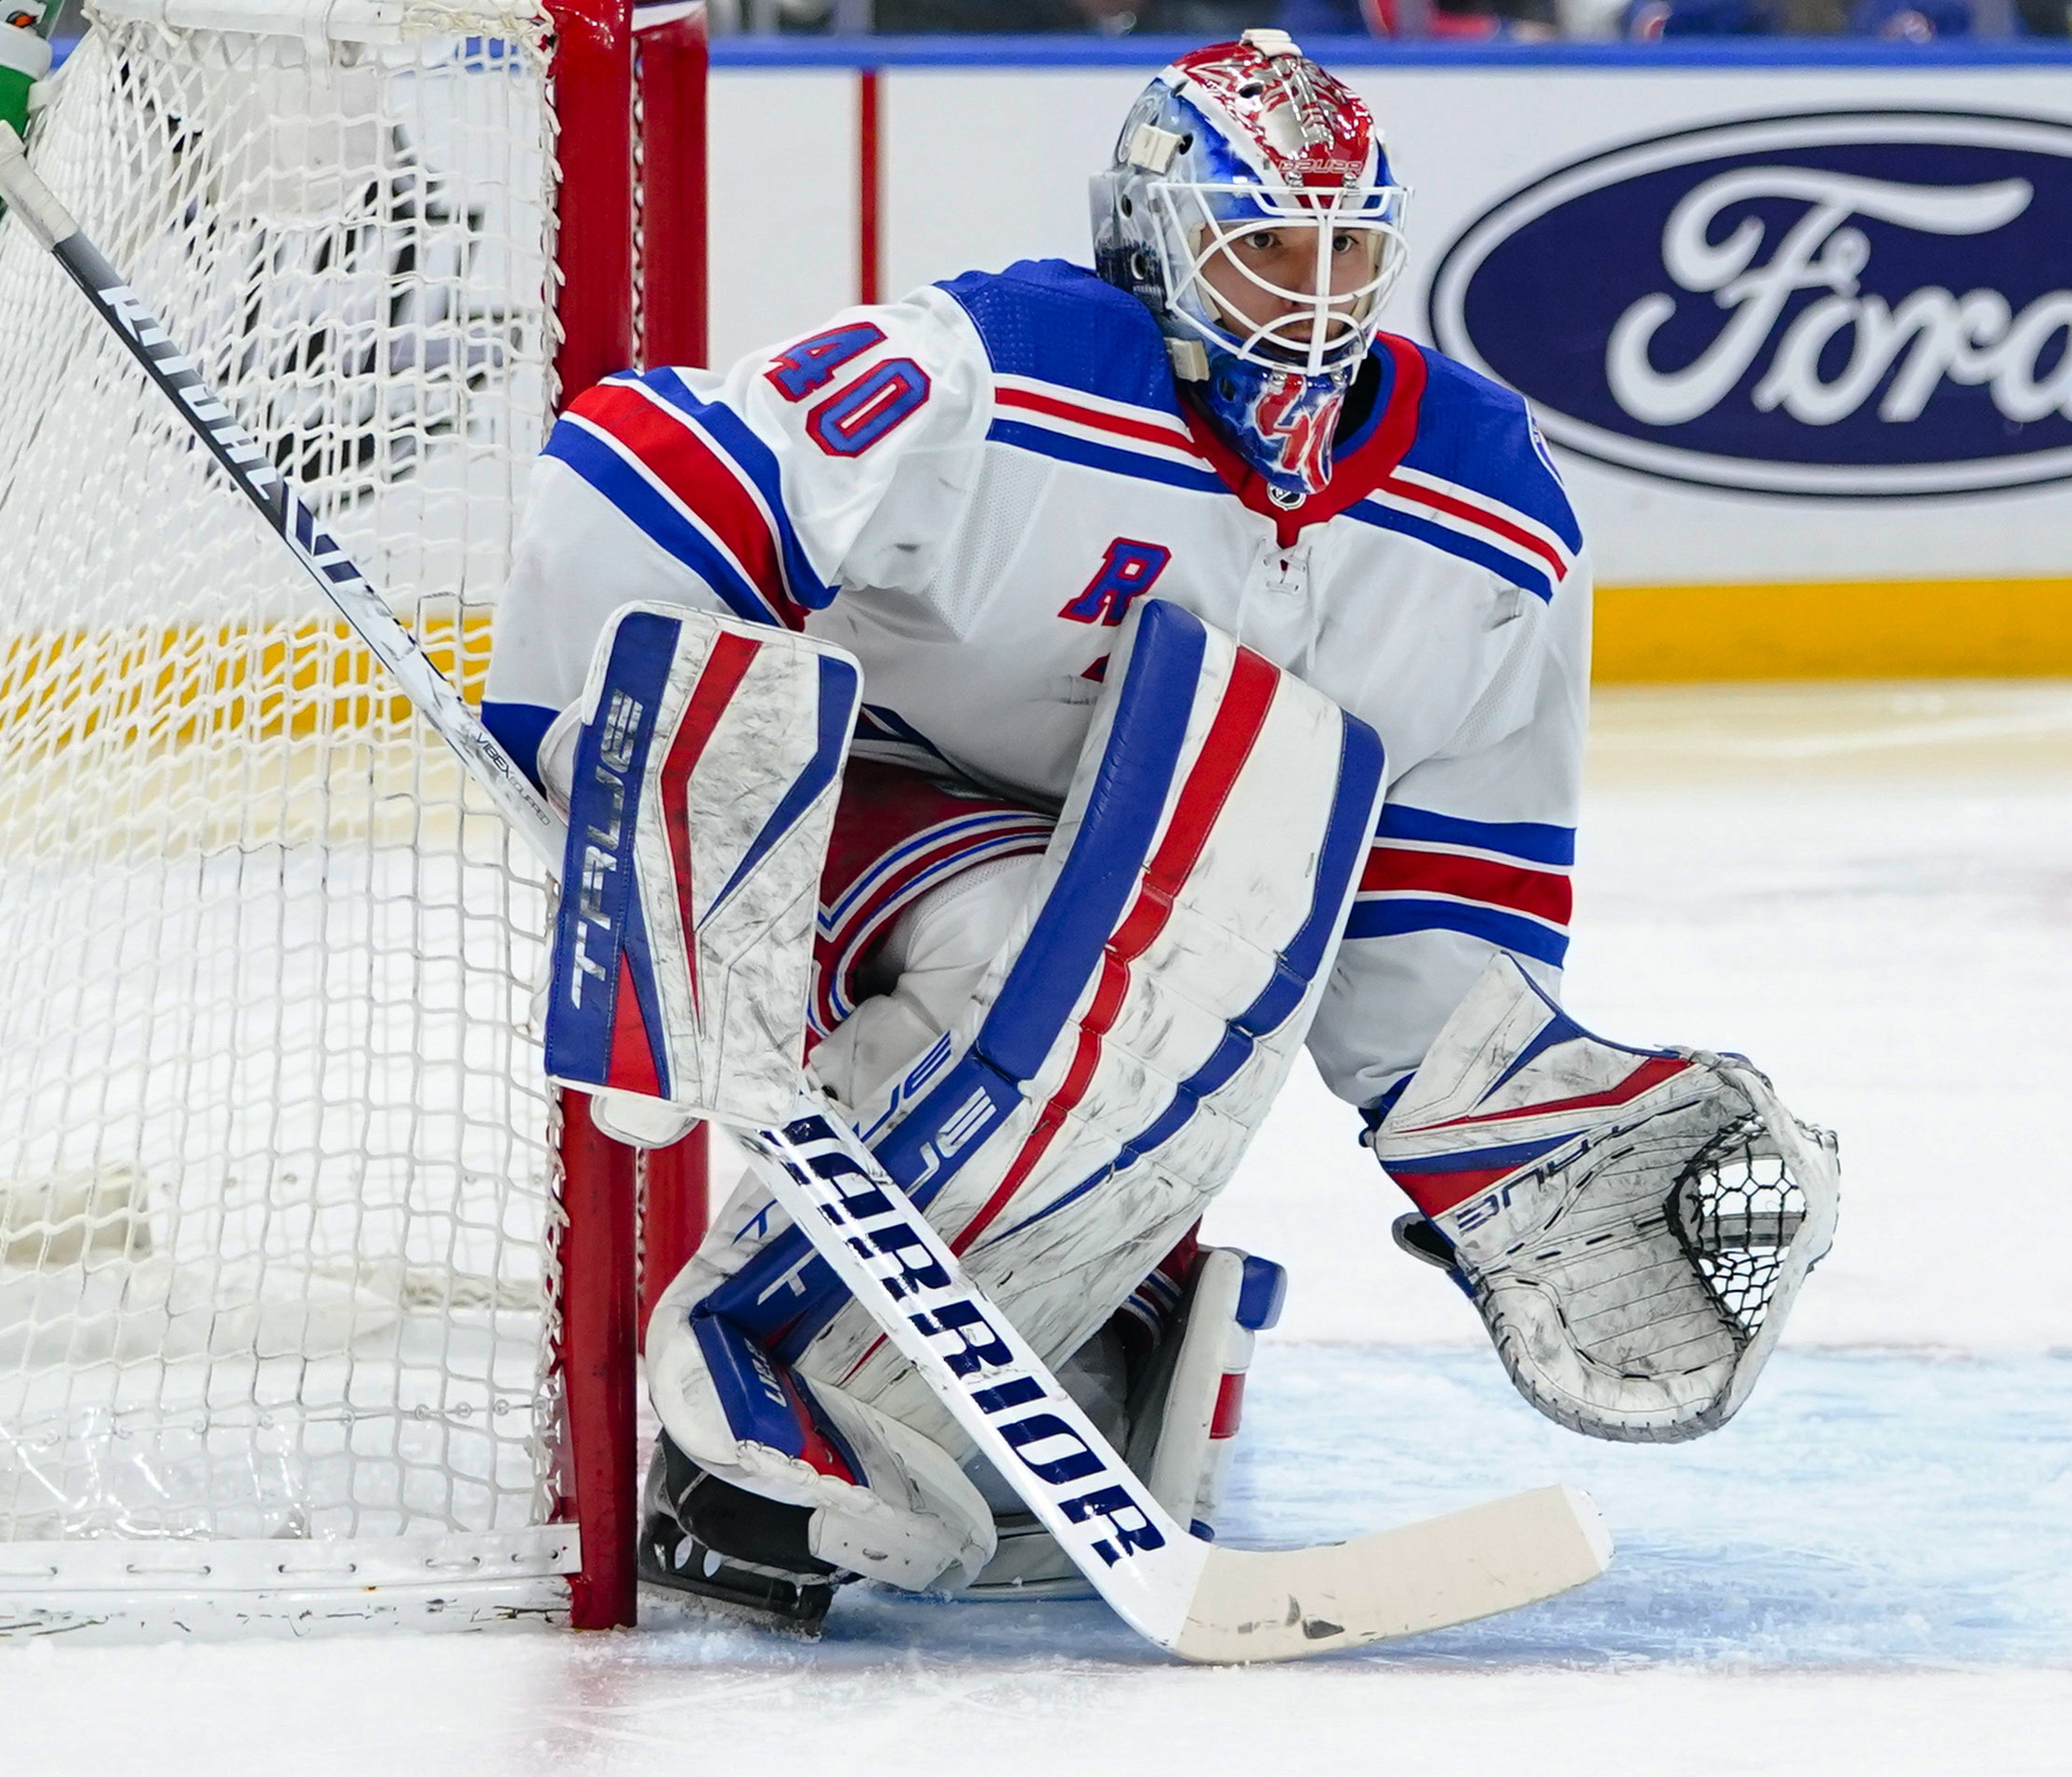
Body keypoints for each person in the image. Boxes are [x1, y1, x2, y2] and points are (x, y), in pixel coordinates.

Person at [482, 30, 1837, 1627]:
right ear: (1154, 237)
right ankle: (762, 1377)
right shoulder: (1005, 367)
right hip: (863, 814)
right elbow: (644, 471)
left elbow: (1437, 856)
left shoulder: (1491, 506)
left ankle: (1087, 1301)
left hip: (1152, 863)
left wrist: (1494, 1110)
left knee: (1249, 871)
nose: (1312, 298)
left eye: (1348, 253)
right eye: (1265, 246)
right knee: (1059, 931)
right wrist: (631, 801)